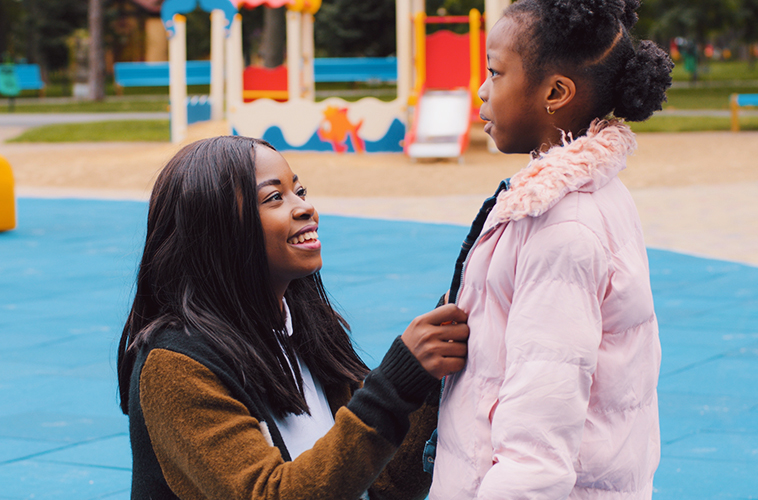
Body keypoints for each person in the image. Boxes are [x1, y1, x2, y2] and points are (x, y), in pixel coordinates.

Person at [116, 135, 469, 500]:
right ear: (217, 229)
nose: (304, 208)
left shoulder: (310, 328)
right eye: (274, 197)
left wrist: (430, 373)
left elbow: (385, 485)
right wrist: (394, 385)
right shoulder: (176, 366)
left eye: (299, 191)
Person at [430, 0, 673, 498]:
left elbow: (537, 453)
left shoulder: (564, 228)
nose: (481, 90)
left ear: (556, 92)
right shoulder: (568, 196)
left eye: (495, 73)